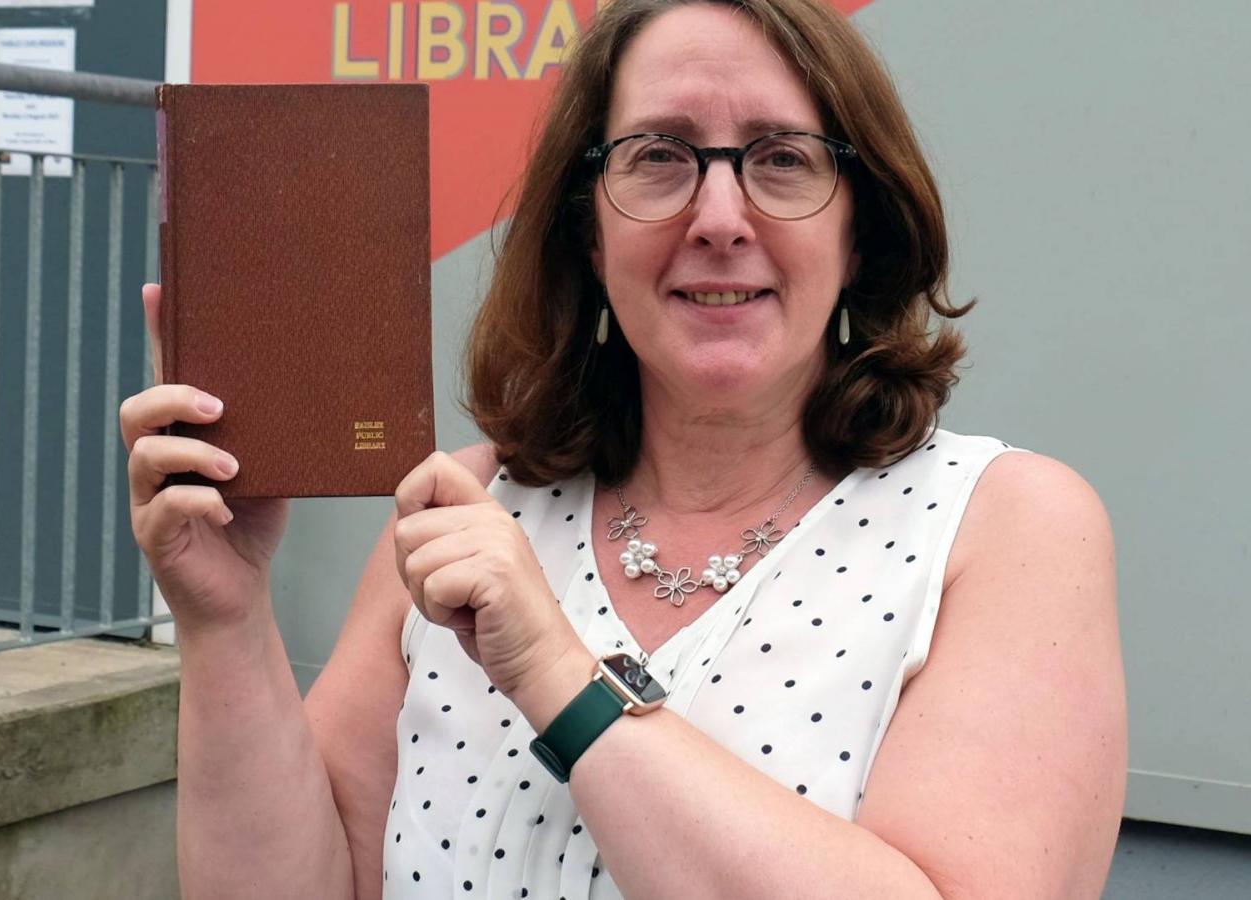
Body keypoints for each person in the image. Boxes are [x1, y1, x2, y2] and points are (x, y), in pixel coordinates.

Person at [119, 0, 1127, 895]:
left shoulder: (1002, 526)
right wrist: (227, 623)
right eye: (659, 158)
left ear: (858, 232)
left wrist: (562, 678)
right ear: (588, 236)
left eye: (781, 158)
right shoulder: (462, 511)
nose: (720, 218)